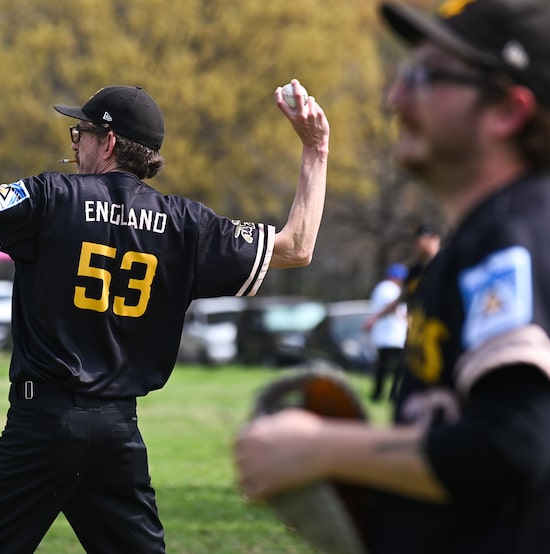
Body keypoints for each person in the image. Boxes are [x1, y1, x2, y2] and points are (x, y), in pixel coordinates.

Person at [0, 82, 330, 552]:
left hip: (44, 425)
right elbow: (296, 247)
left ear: (110, 142)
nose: (74, 142)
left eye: (82, 132)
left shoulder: (50, 197)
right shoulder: (186, 224)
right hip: (118, 434)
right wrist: (315, 149)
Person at [234, 1, 550, 553]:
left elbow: (515, 445)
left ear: (506, 111)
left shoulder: (512, 237)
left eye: (427, 77)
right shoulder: (487, 235)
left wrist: (327, 449)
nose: (396, 99)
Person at [367, 262, 408, 402]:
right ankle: (391, 395)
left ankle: (379, 394)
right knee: (396, 369)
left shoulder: (381, 288)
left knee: (383, 367)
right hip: (393, 334)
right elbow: (393, 307)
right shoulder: (389, 288)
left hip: (385, 335)